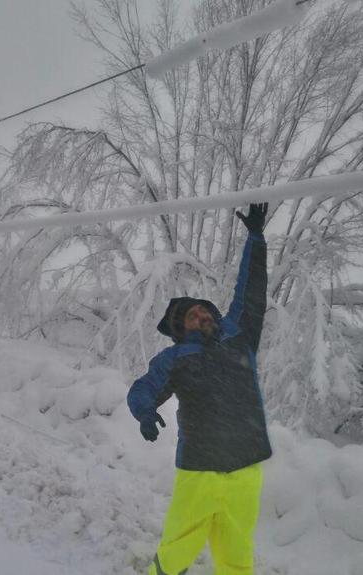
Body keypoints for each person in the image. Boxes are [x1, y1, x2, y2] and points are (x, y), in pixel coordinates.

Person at [127, 203, 272, 575]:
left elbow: (251, 293)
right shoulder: (176, 357)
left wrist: (256, 239)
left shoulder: (239, 337)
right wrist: (144, 411)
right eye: (193, 315)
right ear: (181, 327)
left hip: (245, 466)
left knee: (237, 554)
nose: (203, 316)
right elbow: (144, 387)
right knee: (179, 546)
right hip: (199, 468)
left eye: (205, 311)